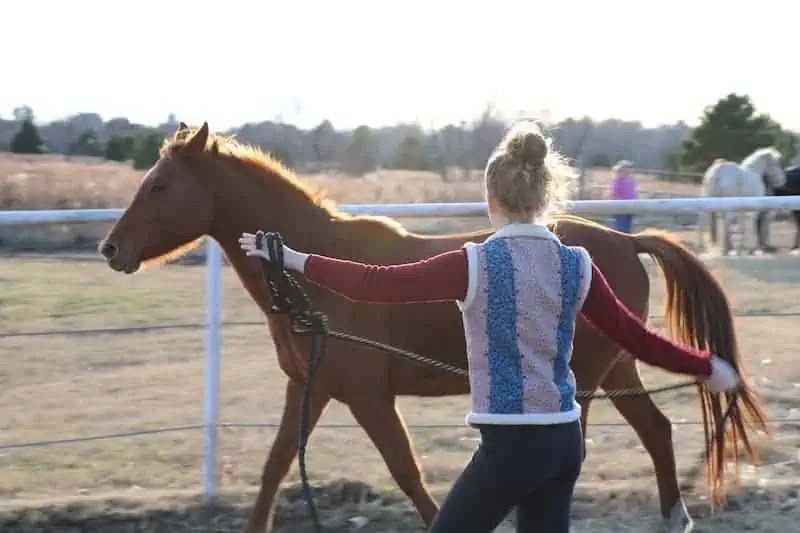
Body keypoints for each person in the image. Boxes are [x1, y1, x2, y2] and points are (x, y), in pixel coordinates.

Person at [239, 121, 740, 533]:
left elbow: (372, 284)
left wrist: (293, 258)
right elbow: (638, 339)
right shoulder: (578, 263)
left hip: (513, 444)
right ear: (548, 197)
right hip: (565, 442)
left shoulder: (475, 263)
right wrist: (705, 366)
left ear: (489, 200)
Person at [609, 159, 637, 233]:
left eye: (630, 167)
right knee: (620, 226)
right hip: (620, 206)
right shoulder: (617, 180)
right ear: (621, 169)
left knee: (628, 227)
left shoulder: (631, 180)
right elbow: (614, 193)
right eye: (627, 167)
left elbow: (633, 193)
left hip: (631, 206)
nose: (629, 169)